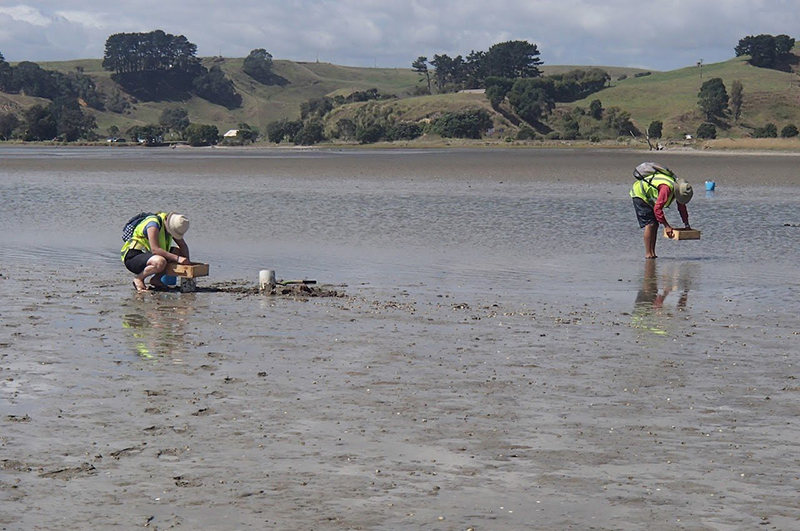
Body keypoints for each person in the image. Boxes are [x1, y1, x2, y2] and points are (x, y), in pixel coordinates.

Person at [630, 163, 693, 259]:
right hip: (640, 193)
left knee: (655, 224)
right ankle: (648, 254)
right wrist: (667, 226)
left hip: (649, 196)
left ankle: (653, 253)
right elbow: (657, 209)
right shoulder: (666, 188)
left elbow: (682, 208)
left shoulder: (679, 189)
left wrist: (687, 224)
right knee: (650, 224)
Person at [121, 212, 190, 291]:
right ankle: (139, 279)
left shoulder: (170, 227)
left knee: (176, 251)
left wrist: (188, 264)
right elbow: (155, 249)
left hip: (149, 256)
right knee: (160, 261)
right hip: (133, 257)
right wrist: (178, 259)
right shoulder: (153, 225)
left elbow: (183, 246)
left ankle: (156, 280)